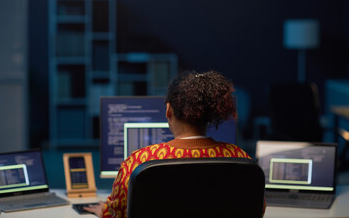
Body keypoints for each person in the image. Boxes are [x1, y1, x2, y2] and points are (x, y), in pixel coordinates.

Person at [85, 70, 262, 217]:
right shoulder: (240, 159)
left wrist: (104, 211)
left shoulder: (139, 162)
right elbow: (256, 210)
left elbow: (117, 214)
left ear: (168, 110)